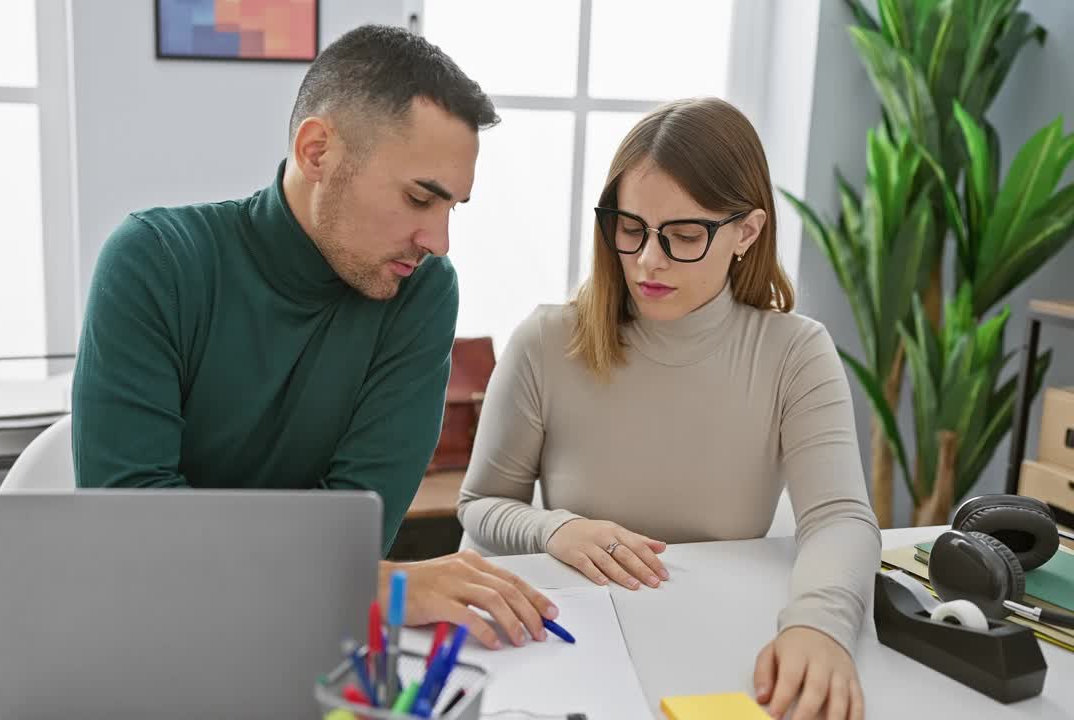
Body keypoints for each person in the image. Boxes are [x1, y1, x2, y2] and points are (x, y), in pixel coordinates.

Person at [71, 24, 558, 652]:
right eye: (418, 198)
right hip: (151, 639)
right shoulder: (154, 260)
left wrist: (336, 572)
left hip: (305, 642)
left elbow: (357, 532)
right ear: (317, 151)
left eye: (452, 208)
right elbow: (130, 528)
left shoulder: (422, 288)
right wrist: (358, 581)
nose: (438, 240)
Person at [458, 97, 880, 719]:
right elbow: (480, 506)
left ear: (748, 231)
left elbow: (840, 516)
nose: (648, 261)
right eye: (630, 229)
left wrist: (819, 625)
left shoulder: (796, 352)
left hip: (717, 646)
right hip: (570, 653)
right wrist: (557, 528)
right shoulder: (546, 341)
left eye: (684, 235)